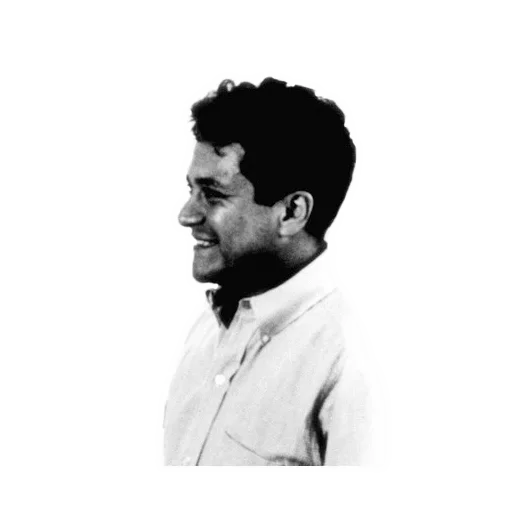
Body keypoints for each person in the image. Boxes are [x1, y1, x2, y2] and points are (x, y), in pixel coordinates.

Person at [163, 77, 371, 465]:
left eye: (213, 194)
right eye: (191, 190)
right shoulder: (207, 333)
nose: (186, 215)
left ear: (291, 212)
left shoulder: (350, 361)